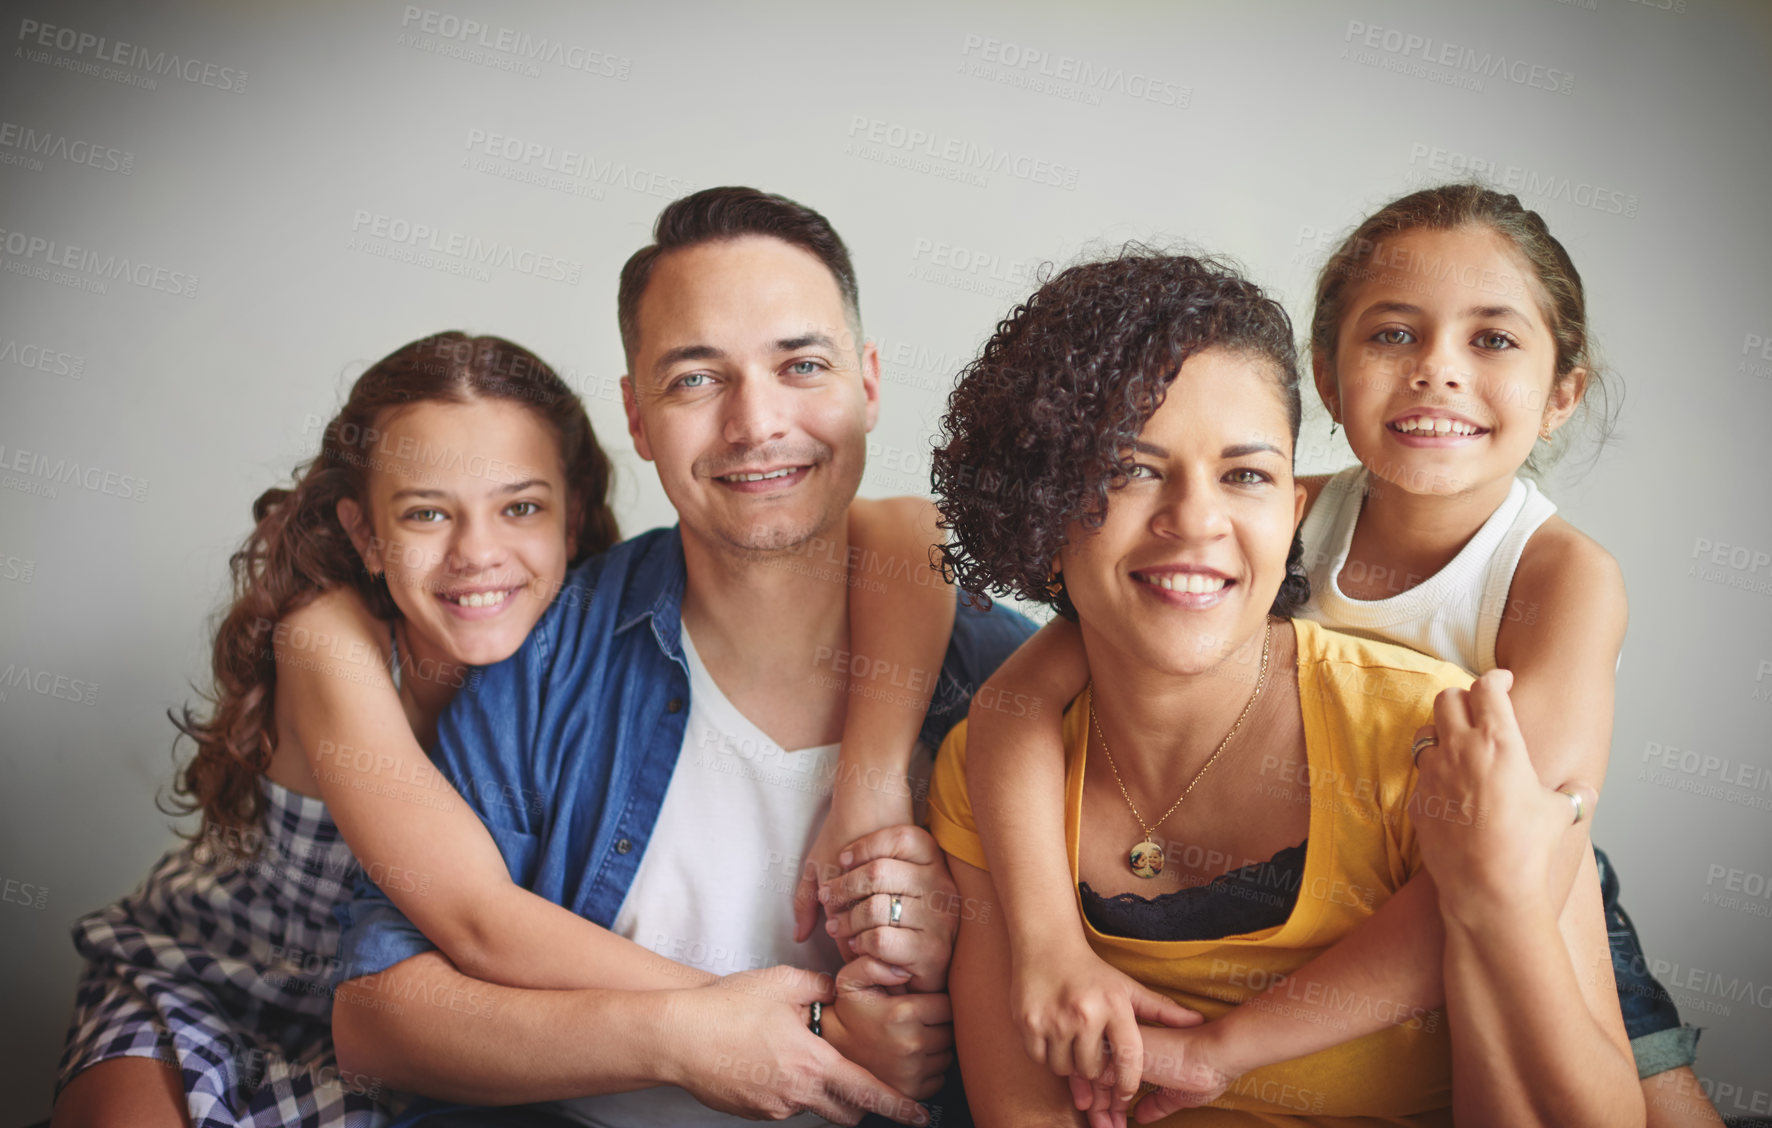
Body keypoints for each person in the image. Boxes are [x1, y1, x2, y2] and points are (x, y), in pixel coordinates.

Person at [962, 186, 1718, 1126]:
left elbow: (1503, 858)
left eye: (1492, 339)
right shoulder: (1283, 511)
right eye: (1395, 335)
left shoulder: (1564, 578)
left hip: (1514, 866)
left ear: (1564, 392)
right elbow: (1009, 707)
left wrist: (1222, 1050)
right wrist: (1046, 941)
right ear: (1329, 378)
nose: (1437, 371)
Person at [328, 187, 1035, 1126]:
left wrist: (966, 941)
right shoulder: (547, 652)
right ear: (635, 415)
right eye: (696, 379)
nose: (754, 424)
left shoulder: (1000, 678)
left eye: (801, 365)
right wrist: (688, 1033)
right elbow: (378, 1008)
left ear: (866, 384)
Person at [52, 332, 624, 1128]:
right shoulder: (330, 638)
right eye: (427, 513)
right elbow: (469, 915)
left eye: (520, 507)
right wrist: (721, 1013)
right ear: (366, 536)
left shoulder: (588, 666)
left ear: (573, 522)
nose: (478, 554)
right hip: (216, 982)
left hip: (405, 1028)